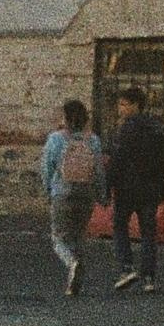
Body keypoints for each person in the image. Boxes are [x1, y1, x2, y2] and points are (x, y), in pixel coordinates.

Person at [106, 87, 164, 292]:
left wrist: (108, 184)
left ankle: (127, 268)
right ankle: (149, 278)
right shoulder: (159, 128)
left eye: (124, 104)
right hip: (151, 188)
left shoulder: (127, 129)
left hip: (127, 188)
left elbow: (118, 159)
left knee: (119, 226)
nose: (120, 109)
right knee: (148, 233)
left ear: (136, 105)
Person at [41, 98, 103, 298]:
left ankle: (72, 263)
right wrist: (102, 194)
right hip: (86, 194)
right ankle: (74, 283)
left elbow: (46, 168)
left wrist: (49, 190)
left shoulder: (56, 139)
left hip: (62, 192)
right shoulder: (93, 140)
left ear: (65, 118)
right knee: (78, 235)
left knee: (58, 238)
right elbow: (99, 170)